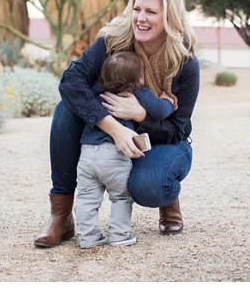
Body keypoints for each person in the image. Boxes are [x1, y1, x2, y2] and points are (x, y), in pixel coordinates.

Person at [34, 0, 201, 248]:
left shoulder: (185, 62)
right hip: (112, 131)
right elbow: (71, 82)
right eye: (136, 9)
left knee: (149, 187)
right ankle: (61, 216)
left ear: (169, 17)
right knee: (65, 110)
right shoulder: (114, 41)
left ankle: (168, 196)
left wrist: (140, 116)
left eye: (151, 12)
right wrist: (113, 126)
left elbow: (177, 128)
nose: (140, 18)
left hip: (163, 139)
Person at [74, 51, 177, 248]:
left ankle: (88, 237)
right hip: (115, 153)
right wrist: (168, 102)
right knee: (121, 196)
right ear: (138, 78)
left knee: (87, 196)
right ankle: (119, 235)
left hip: (87, 153)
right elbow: (159, 110)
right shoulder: (137, 92)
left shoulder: (96, 91)